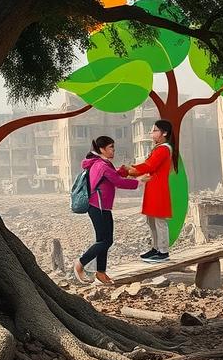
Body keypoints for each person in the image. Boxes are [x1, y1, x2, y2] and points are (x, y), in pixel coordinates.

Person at [73, 135, 139, 285]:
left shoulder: (101, 163)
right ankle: (80, 263)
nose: (113, 150)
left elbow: (113, 175)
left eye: (113, 147)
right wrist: (138, 183)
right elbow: (117, 181)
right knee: (106, 240)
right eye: (111, 147)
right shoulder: (101, 165)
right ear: (102, 149)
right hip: (98, 206)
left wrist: (124, 170)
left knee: (103, 240)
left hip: (102, 207)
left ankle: (101, 272)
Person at [125, 119, 176, 263]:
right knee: (151, 220)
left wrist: (132, 169)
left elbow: (150, 165)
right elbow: (149, 166)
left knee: (159, 220)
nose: (151, 133)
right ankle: (156, 248)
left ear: (164, 133)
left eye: (154, 130)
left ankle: (163, 251)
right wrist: (133, 170)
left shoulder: (164, 149)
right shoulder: (159, 148)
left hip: (158, 188)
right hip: (153, 186)